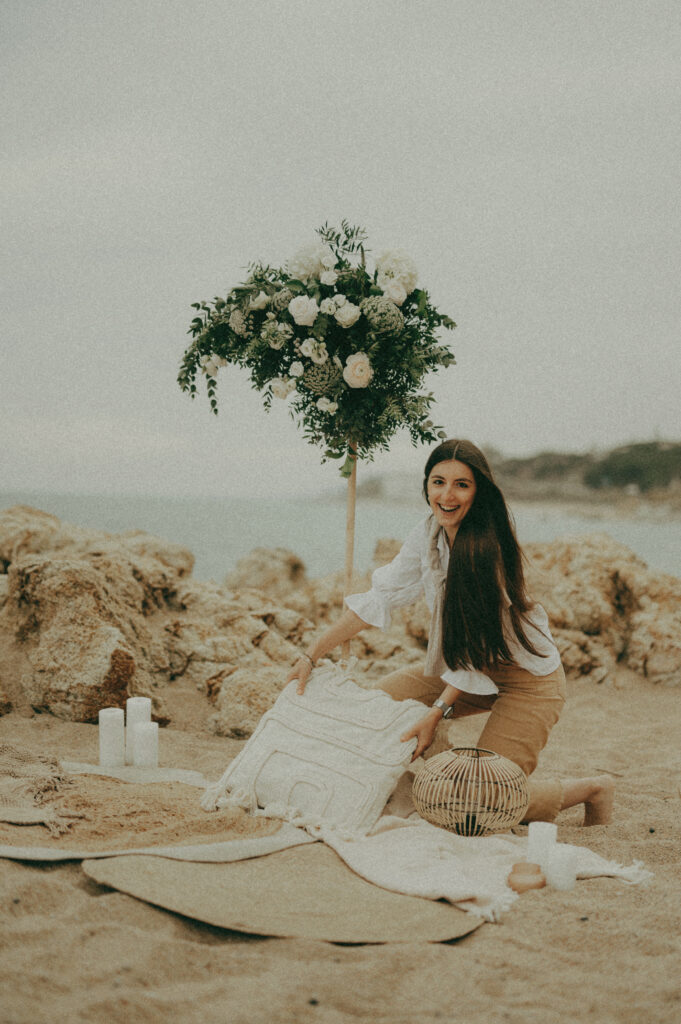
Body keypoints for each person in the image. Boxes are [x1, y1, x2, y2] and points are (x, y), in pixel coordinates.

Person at [287, 438, 614, 826]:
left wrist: (436, 712)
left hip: (527, 680)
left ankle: (592, 789)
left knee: (476, 802)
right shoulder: (427, 533)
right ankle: (445, 774)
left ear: (478, 492)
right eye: (438, 481)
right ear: (426, 485)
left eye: (462, 484)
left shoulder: (485, 550)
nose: (447, 494)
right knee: (376, 711)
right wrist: (312, 653)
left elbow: (477, 651)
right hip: (462, 668)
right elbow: (381, 596)